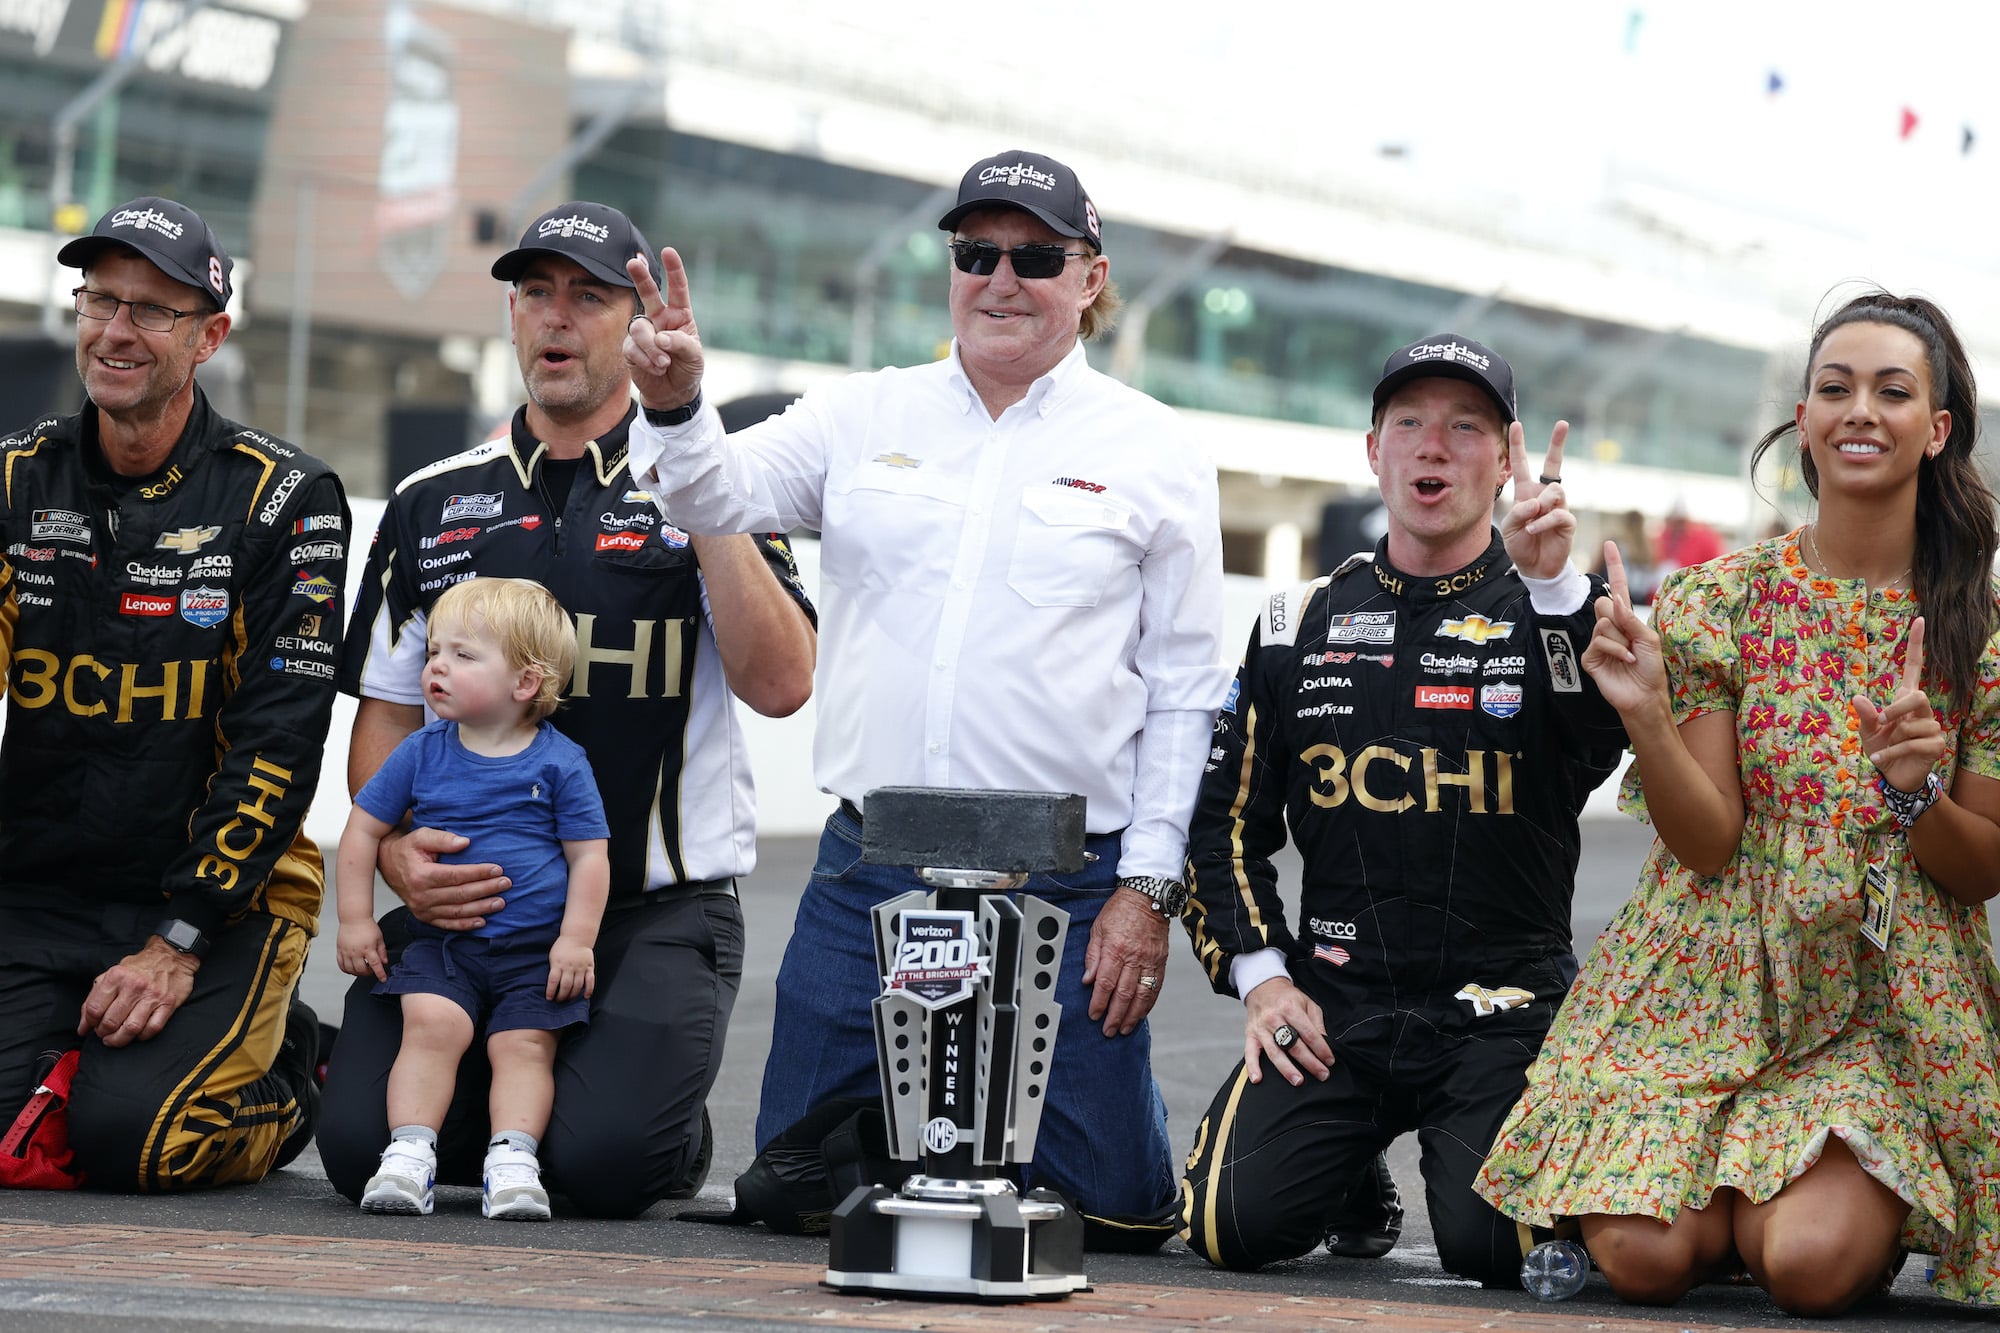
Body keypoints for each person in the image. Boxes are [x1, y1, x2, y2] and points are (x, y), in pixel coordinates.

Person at [619, 149, 1232, 1242]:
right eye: (975, 253)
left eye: (1035, 255)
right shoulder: (861, 413)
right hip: (874, 862)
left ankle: (1027, 1139)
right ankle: (918, 1141)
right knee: (793, 1189)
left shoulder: (1157, 449)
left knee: (1116, 1212)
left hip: (1069, 871)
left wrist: (1147, 891)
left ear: (1089, 278)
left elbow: (1186, 691)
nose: (1000, 278)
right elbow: (709, 492)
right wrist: (673, 402)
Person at [1476, 292, 2000, 1314]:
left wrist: (1913, 794)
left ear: (1934, 430)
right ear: (1800, 418)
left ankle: (1818, 1203)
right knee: (1642, 1260)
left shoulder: (1978, 628)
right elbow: (1707, 839)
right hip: (1701, 985)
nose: (1859, 410)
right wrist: (1646, 717)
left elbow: (1978, 867)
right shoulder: (1718, 597)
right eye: (1833, 387)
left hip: (1869, 1005)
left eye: (1891, 391)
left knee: (1803, 1267)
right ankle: (1732, 1198)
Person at [318, 201, 817, 1218]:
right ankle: (543, 1090)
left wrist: (696, 471)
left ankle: (643, 1110)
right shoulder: (430, 499)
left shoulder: (717, 480)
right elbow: (385, 709)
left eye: (588, 296)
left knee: (597, 1171)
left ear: (637, 320)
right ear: (510, 312)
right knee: (360, 1148)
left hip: (650, 910)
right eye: (535, 292)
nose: (557, 317)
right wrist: (402, 849)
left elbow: (781, 684)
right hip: (469, 910)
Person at [1178, 334, 1628, 1285]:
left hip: (1502, 1009)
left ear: (1506, 460)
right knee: (1229, 1226)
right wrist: (1264, 979)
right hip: (1338, 1001)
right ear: (1371, 448)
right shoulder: (1297, 622)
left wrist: (1554, 589)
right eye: (1411, 423)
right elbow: (1221, 826)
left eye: (1466, 427)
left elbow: (1598, 739)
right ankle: (1349, 1171)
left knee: (1495, 1247)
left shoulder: (1554, 608)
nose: (1435, 448)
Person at [0, 196, 344, 1189]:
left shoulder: (283, 498)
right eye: (100, 300)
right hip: (42, 886)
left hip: (218, 901)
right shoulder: (19, 480)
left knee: (132, 1143)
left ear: (209, 336)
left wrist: (179, 938)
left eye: (151, 310)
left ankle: (288, 1072)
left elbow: (279, 741)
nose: (116, 331)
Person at [335, 577, 609, 1220]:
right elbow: (362, 830)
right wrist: (354, 919)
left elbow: (589, 856)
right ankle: (408, 1155)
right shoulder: (420, 750)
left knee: (523, 1046)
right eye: (435, 651)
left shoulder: (561, 764)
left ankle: (513, 1160)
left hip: (532, 951)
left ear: (525, 683)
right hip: (445, 943)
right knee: (432, 1025)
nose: (437, 666)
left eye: (463, 654)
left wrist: (576, 941)